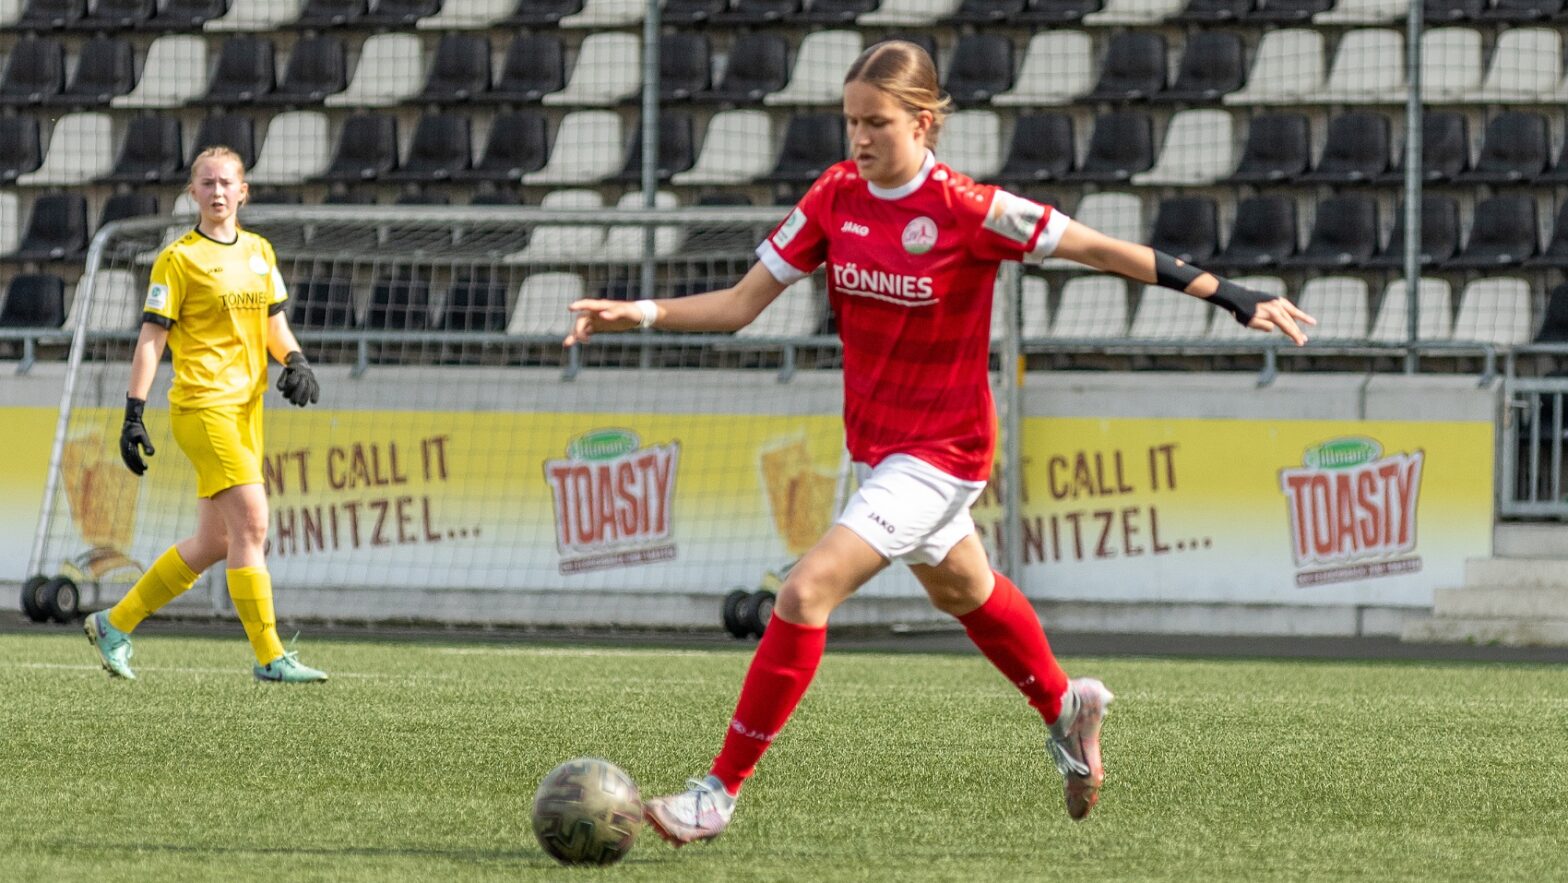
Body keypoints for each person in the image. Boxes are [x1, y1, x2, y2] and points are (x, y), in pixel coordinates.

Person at [564, 41, 1314, 843]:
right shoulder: (834, 195)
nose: (859, 138)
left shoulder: (972, 210)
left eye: (876, 122)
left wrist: (1233, 296)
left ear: (923, 123)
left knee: (804, 591)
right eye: (850, 121)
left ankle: (717, 791)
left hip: (945, 452)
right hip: (879, 449)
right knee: (964, 589)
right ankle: (1068, 706)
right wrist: (638, 313)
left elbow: (1100, 248)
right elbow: (744, 303)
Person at [84, 146, 328, 684]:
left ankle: (114, 624)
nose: (217, 192)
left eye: (226, 183)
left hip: (246, 410)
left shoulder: (260, 253)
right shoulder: (178, 259)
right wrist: (133, 412)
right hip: (202, 406)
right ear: (193, 192)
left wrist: (296, 360)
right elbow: (152, 339)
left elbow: (274, 325)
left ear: (244, 192)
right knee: (254, 525)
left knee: (216, 542)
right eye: (207, 183)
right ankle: (269, 655)